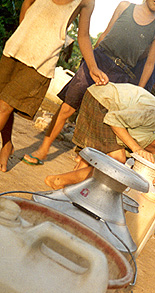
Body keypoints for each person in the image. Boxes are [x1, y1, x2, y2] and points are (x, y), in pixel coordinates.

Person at [23, 0, 155, 166]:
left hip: (120, 75)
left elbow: (149, 63)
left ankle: (83, 157)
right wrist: (89, 61)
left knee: (101, 120)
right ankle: (43, 148)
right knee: (68, 106)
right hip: (98, 59)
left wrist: (139, 91)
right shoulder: (124, 6)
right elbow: (105, 33)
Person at [0, 0, 108, 172]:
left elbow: (83, 36)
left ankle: (6, 147)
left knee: (4, 105)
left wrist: (93, 67)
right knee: (5, 101)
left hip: (41, 61)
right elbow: (27, 3)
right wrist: (24, 31)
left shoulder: (86, 1)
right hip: (16, 49)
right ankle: (7, 145)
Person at [44, 82, 155, 190]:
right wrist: (136, 148)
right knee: (117, 161)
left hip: (111, 119)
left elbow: (148, 173)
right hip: (101, 102)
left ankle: (70, 191)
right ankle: (58, 181)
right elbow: (113, 119)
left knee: (107, 165)